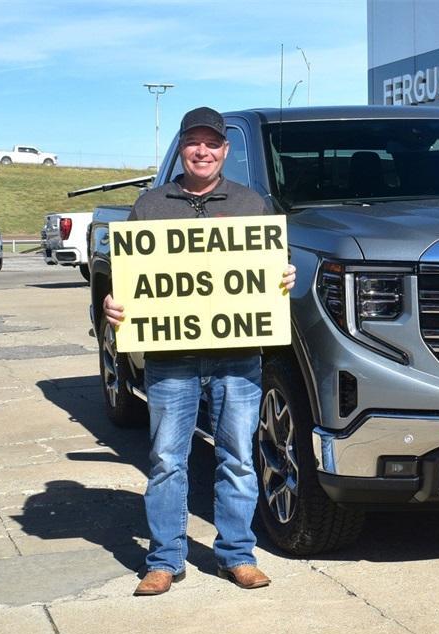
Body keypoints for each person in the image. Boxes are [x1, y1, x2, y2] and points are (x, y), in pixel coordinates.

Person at [103, 107, 296, 596]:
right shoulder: (150, 206)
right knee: (168, 458)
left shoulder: (253, 205)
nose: (203, 151)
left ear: (225, 151)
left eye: (213, 143)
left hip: (238, 354)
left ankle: (237, 555)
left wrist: (284, 278)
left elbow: (274, 268)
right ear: (182, 147)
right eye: (195, 143)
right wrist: (114, 304)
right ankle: (164, 559)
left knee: (237, 457)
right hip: (172, 357)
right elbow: (129, 279)